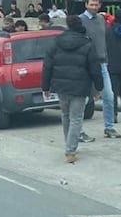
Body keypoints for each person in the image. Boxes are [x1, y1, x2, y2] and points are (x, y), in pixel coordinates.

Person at [42, 15, 104, 164]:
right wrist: (98, 87)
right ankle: (70, 150)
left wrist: (45, 87)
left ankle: (69, 144)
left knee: (65, 115)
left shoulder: (56, 42)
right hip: (80, 86)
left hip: (61, 86)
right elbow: (94, 68)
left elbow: (47, 66)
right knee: (76, 117)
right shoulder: (87, 44)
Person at [81, 0, 120, 138]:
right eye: (91, 4)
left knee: (108, 96)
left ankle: (109, 127)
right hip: (86, 65)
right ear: (86, 4)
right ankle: (78, 131)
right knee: (83, 99)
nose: (94, 7)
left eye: (96, 5)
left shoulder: (102, 19)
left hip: (102, 63)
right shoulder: (80, 20)